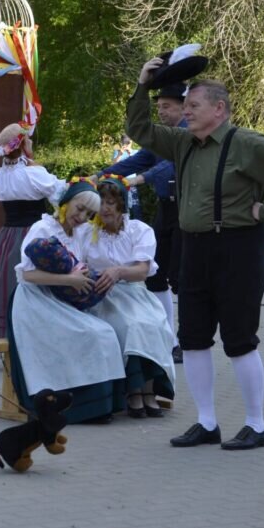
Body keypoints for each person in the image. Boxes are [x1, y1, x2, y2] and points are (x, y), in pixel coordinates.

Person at [127, 59, 264, 450]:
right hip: (193, 247)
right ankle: (207, 422)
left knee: (239, 337)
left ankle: (256, 425)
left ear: (219, 109)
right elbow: (139, 129)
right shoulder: (182, 143)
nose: (187, 110)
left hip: (238, 248)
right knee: (192, 337)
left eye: (194, 104)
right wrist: (142, 86)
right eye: (186, 104)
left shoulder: (246, 143)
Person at [7, 179, 128, 424]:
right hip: (34, 301)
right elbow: (26, 275)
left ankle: (100, 405)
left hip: (62, 298)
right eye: (79, 208)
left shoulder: (80, 232)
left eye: (89, 213)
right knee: (89, 334)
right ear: (66, 203)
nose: (82, 216)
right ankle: (70, 406)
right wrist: (68, 280)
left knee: (105, 331)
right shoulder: (43, 228)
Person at [98, 81, 186, 362]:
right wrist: (101, 176)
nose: (161, 112)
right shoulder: (160, 138)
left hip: (188, 212)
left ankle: (186, 341)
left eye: (167, 107)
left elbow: (169, 165)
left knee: (183, 279)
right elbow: (135, 161)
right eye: (158, 107)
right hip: (166, 209)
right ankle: (166, 337)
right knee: (154, 275)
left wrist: (143, 178)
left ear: (184, 108)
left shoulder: (189, 135)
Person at [76, 175, 176, 418]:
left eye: (111, 202)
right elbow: (77, 264)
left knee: (152, 323)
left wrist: (119, 271)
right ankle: (134, 391)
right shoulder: (87, 232)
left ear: (122, 205)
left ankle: (149, 390)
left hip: (135, 293)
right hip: (103, 296)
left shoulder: (139, 230)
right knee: (129, 325)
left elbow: (142, 270)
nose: (105, 208)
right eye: (101, 202)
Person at [0, 123, 65, 338]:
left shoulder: (0, 175)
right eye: (28, 140)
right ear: (22, 145)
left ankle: (7, 335)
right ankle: (36, 335)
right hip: (34, 234)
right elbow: (60, 194)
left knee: (8, 282)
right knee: (37, 282)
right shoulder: (34, 173)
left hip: (8, 236)